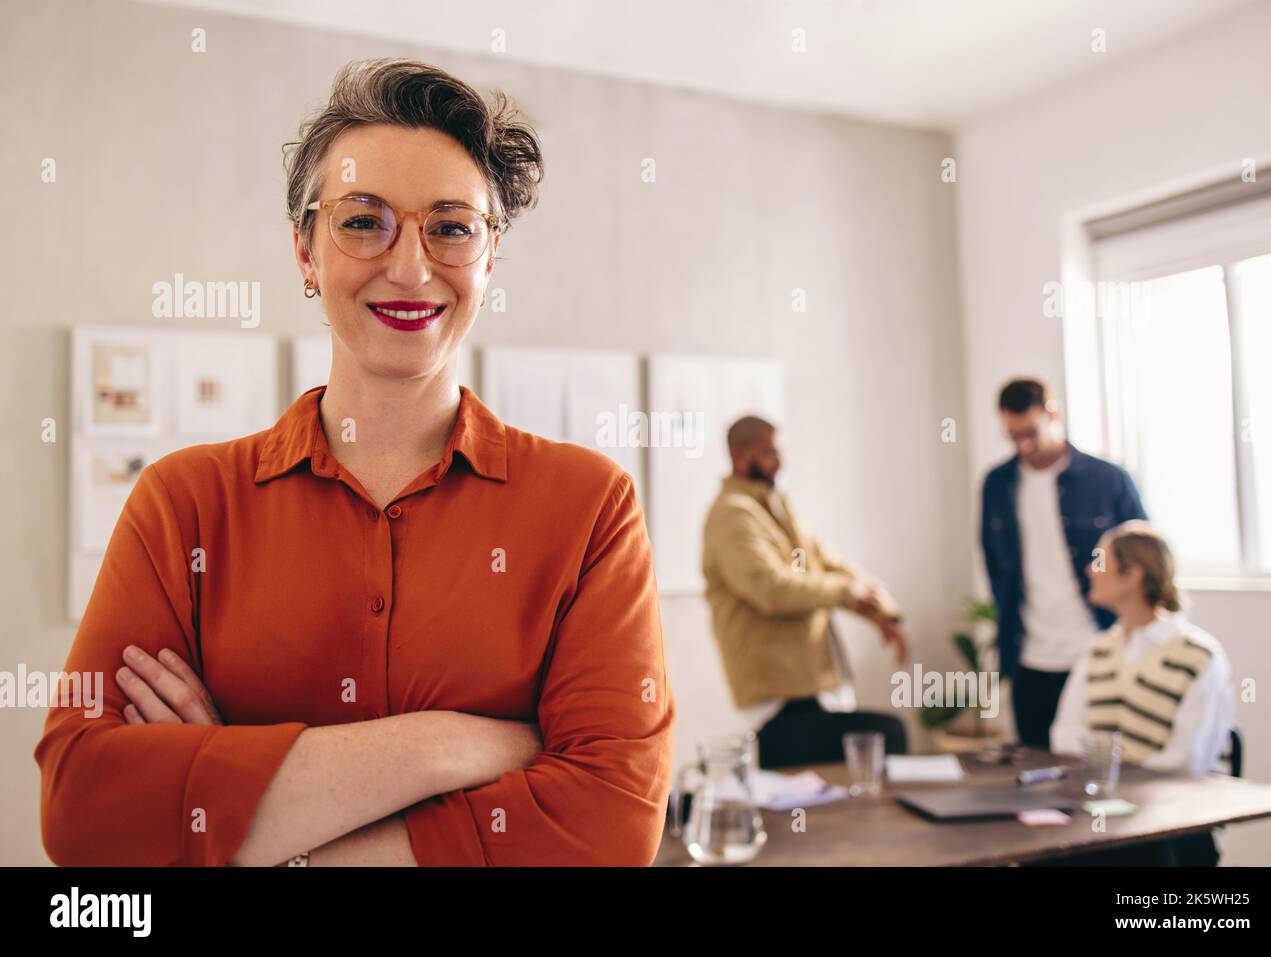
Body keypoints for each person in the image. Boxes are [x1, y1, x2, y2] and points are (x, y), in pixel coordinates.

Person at [33, 58, 674, 867]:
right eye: (363, 221)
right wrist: (447, 747)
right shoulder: (183, 503)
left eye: (450, 225)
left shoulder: (589, 506)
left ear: (489, 258)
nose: (410, 266)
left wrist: (240, 804)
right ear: (305, 252)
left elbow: (609, 824)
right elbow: (84, 813)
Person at [701, 415, 909, 769]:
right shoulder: (733, 516)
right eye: (768, 452)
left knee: (843, 786)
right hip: (777, 698)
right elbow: (772, 590)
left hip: (811, 689)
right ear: (740, 455)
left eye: (779, 451)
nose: (779, 460)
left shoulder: (775, 506)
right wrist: (848, 591)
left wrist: (883, 614)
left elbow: (827, 565)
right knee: (888, 736)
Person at [1048, 521, 1235, 866]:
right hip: (1104, 818)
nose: (1090, 570)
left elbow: (1184, 762)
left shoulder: (1198, 656)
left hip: (1173, 824)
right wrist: (1122, 768)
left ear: (1132, 574)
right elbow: (1064, 736)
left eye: (1100, 561)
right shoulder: (1097, 651)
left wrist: (1107, 767)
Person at [980, 378, 1147, 748]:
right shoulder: (997, 485)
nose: (1023, 446)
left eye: (1030, 433)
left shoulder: (1108, 480)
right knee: (1037, 776)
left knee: (1102, 768)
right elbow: (994, 564)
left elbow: (1144, 556)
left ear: (1053, 413)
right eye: (1012, 436)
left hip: (1098, 649)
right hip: (1030, 658)